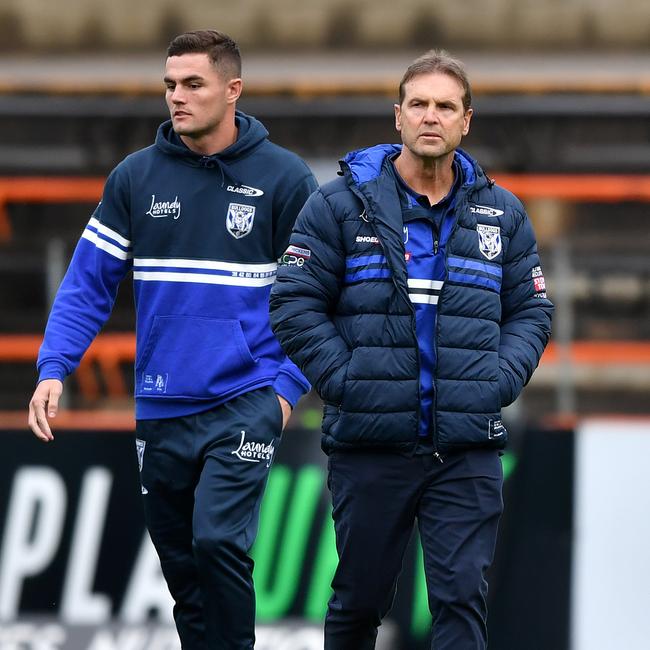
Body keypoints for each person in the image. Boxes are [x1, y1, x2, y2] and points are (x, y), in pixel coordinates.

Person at [28, 29, 317, 650]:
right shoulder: (135, 178)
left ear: (232, 90)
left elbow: (318, 297)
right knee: (184, 573)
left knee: (217, 542)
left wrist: (286, 390)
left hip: (245, 398)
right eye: (169, 85)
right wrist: (54, 368)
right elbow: (88, 284)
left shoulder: (284, 179)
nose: (176, 98)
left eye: (193, 84)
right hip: (161, 406)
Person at [269, 50, 553, 650]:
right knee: (358, 603)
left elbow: (532, 310)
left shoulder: (501, 215)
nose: (431, 116)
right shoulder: (338, 206)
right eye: (418, 104)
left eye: (445, 106)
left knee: (459, 602)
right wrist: (348, 382)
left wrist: (496, 382)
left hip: (467, 447)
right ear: (397, 116)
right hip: (371, 445)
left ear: (466, 120)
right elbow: (294, 303)